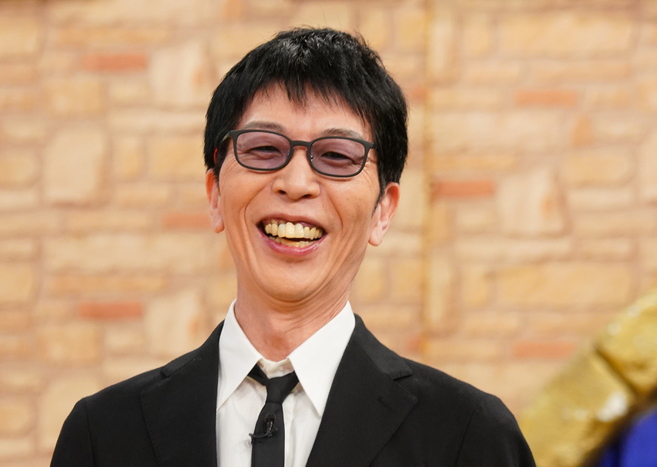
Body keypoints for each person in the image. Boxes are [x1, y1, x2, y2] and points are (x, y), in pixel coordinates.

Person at [51, 27, 536, 467]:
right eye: (265, 148)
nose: (297, 182)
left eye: (336, 155)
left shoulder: (468, 438)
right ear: (215, 195)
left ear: (383, 211)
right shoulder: (103, 435)